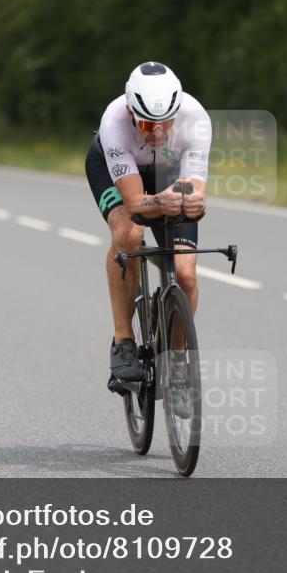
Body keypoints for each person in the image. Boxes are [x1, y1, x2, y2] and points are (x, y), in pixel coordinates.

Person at [84, 61, 211, 383]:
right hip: (117, 173)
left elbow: (193, 190)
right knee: (128, 234)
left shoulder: (196, 119)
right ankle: (123, 342)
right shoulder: (114, 122)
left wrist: (193, 201)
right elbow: (135, 203)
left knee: (185, 272)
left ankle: (178, 359)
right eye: (146, 124)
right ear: (130, 112)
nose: (156, 132)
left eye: (165, 123)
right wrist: (158, 201)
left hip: (168, 174)